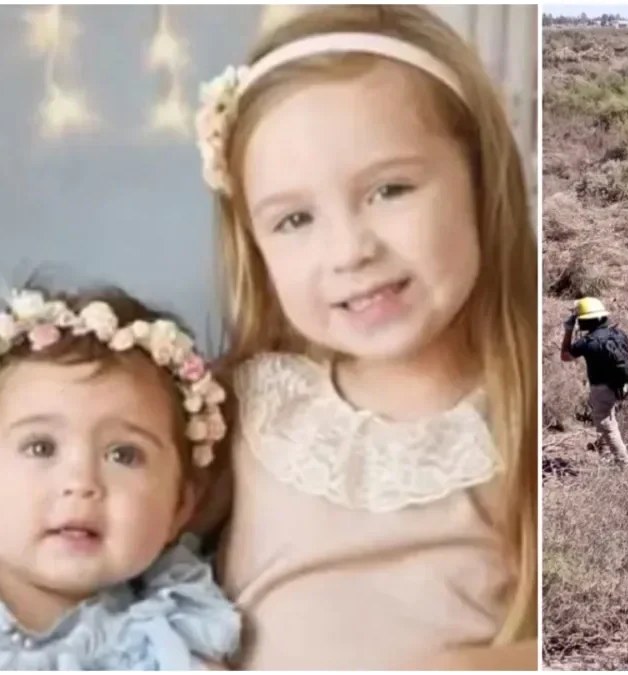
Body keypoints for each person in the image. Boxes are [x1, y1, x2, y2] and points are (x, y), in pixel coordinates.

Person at [192, 6, 536, 670]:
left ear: (480, 178)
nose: (349, 249)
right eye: (294, 218)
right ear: (255, 243)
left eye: (389, 189)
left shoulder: (524, 423)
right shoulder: (249, 405)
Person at [0, 287, 239, 669]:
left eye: (123, 455)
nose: (81, 483)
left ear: (180, 506)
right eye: (41, 447)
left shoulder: (172, 634)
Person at [560, 297, 628, 467]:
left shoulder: (587, 342)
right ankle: (605, 451)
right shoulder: (618, 333)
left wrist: (568, 330)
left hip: (601, 388)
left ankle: (625, 464)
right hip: (622, 384)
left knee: (605, 422)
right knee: (609, 415)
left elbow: (565, 356)